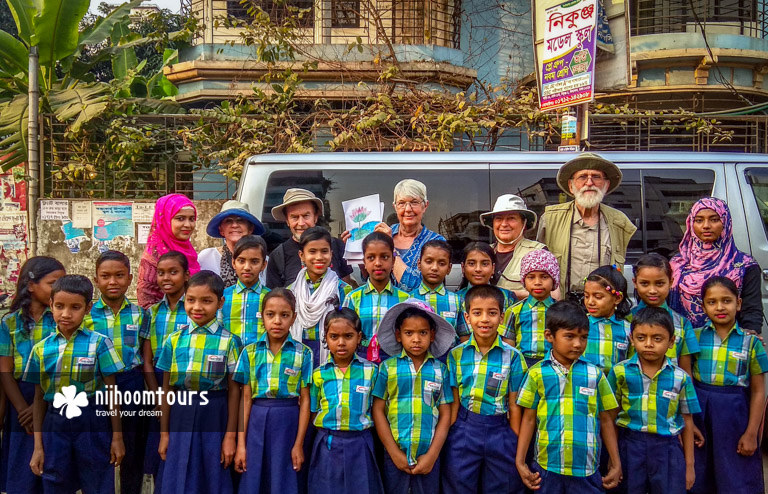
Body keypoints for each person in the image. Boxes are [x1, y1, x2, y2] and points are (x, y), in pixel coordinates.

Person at [25, 275, 125, 494]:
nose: (66, 314)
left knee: (98, 479)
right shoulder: (41, 350)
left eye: (75, 307)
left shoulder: (100, 343)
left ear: (88, 308)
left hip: (92, 421)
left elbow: (112, 392)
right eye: (59, 306)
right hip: (55, 423)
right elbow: (39, 399)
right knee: (54, 480)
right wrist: (38, 447)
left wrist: (117, 437)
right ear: (51, 305)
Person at [515, 301, 622, 493]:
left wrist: (615, 462)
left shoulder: (595, 374)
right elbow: (529, 419)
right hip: (547, 467)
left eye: (583, 337)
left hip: (587, 469)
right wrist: (520, 460)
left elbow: (606, 420)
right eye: (569, 336)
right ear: (549, 336)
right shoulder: (537, 373)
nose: (577, 344)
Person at [157, 271, 242, 494]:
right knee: (178, 476)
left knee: (213, 473)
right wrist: (164, 435)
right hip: (180, 413)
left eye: (206, 301)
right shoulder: (174, 340)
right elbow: (167, 390)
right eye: (191, 300)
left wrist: (230, 437)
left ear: (220, 302)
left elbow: (234, 392)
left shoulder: (230, 341)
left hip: (216, 413)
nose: (197, 307)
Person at [442, 285, 527, 494]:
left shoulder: (514, 356)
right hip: (464, 426)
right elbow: (453, 399)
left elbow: (515, 404)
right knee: (459, 482)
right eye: (477, 313)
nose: (485, 319)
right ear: (467, 317)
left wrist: (513, 439)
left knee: (503, 484)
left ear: (502, 316)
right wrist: (453, 432)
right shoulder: (456, 355)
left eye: (492, 313)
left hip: (500, 428)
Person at [608, 307, 700, 494]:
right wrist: (613, 458)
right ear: (632, 339)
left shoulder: (680, 378)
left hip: (667, 449)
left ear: (671, 341)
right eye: (641, 338)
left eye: (657, 339)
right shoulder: (619, 372)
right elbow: (610, 419)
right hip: (630, 446)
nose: (648, 344)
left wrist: (689, 466)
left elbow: (687, 421)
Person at [690, 276, 768, 494]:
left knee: (736, 474)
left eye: (727, 300)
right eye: (712, 302)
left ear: (739, 303)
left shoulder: (751, 342)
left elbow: (759, 391)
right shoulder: (694, 337)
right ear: (703, 306)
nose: (720, 307)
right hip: (701, 413)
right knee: (701, 471)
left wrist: (752, 433)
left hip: (735, 415)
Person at [233, 289, 313, 494]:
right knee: (255, 476)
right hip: (257, 421)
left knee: (285, 477)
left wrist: (299, 443)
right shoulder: (249, 352)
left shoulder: (303, 353)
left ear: (294, 318)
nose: (277, 321)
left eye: (284, 315)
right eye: (270, 314)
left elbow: (305, 401)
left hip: (289, 421)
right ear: (262, 316)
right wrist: (241, 444)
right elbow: (246, 399)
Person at [83, 251, 150, 494]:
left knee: (131, 447)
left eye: (119, 275)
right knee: (100, 443)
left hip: (130, 383)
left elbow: (145, 358)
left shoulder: (141, 314)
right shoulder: (87, 315)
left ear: (130, 278)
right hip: (98, 386)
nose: (113, 282)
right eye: (106, 276)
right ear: (96, 279)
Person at [373, 300, 455, 494]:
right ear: (398, 335)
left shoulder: (440, 370)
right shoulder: (387, 368)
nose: (416, 339)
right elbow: (377, 410)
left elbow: (445, 414)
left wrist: (433, 454)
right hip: (394, 453)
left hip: (429, 453)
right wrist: (394, 452)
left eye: (423, 333)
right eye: (409, 333)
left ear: (432, 335)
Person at [0, 257, 64, 494]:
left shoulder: (59, 319)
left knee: (53, 465)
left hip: (53, 398)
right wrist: (22, 410)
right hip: (21, 399)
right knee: (22, 473)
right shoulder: (9, 323)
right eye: (52, 283)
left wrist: (41, 407)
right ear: (30, 285)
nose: (57, 290)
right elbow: (5, 372)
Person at [537, 153, 637, 296]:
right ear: (571, 186)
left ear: (606, 185)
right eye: (582, 177)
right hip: (562, 307)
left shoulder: (619, 221)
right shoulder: (550, 219)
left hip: (602, 308)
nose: (589, 183)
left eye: (596, 177)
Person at [308, 308, 383, 494]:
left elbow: (378, 410)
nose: (341, 343)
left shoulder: (372, 372)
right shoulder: (319, 374)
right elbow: (312, 411)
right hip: (328, 442)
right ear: (326, 338)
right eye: (334, 337)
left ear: (359, 338)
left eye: (348, 336)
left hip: (361, 442)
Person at [669, 197, 764, 332]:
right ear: (691, 223)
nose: (706, 225)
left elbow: (751, 309)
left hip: (728, 343)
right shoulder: (678, 264)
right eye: (699, 220)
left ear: (725, 223)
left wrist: (750, 334)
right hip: (683, 344)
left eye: (714, 219)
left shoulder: (744, 265)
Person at [141, 251, 190, 489]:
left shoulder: (193, 308)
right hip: (157, 383)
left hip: (182, 382)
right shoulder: (152, 313)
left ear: (186, 275)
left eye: (173, 272)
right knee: (159, 441)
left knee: (180, 439)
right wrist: (157, 394)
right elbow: (147, 360)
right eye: (161, 273)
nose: (166, 278)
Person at [288, 227, 352, 367]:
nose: (319, 257)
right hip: (298, 353)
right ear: (301, 255)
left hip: (331, 355)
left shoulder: (343, 290)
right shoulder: (291, 292)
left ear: (331, 254)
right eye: (312, 251)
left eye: (324, 251)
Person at [342, 232, 409, 363]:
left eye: (384, 257)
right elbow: (345, 333)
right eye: (371, 258)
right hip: (360, 360)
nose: (378, 263)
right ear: (364, 262)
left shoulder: (405, 299)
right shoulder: (353, 298)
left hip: (395, 361)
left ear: (393, 261)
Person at [267, 188, 354, 289]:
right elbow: (275, 299)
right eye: (294, 217)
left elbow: (345, 290)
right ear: (287, 221)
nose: (301, 223)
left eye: (306, 216)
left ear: (315, 217)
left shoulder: (337, 245)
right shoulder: (278, 256)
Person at [371, 179, 445, 292]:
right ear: (395, 207)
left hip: (418, 308)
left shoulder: (437, 242)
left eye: (414, 202)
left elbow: (418, 286)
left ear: (425, 206)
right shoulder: (382, 233)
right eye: (401, 203)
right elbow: (370, 277)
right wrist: (356, 253)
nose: (408, 209)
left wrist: (390, 246)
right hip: (383, 306)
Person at [631, 253, 699, 374]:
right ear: (635, 283)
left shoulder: (682, 324)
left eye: (659, 283)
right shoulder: (626, 320)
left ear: (671, 282)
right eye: (645, 284)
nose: (652, 290)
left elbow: (685, 371)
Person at [138, 193, 200, 308]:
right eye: (180, 218)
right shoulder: (153, 257)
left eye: (192, 219)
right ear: (164, 219)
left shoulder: (189, 252)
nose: (188, 224)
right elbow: (146, 304)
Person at [480, 194, 546, 299]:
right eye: (498, 219)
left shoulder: (539, 252)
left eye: (511, 218)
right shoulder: (483, 252)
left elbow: (554, 296)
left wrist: (506, 294)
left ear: (524, 223)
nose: (504, 224)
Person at [501, 249, 559, 368]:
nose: (537, 282)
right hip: (521, 364)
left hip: (554, 364)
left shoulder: (561, 311)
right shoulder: (514, 311)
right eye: (531, 277)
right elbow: (508, 346)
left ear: (553, 280)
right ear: (524, 281)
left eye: (544, 277)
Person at [455, 242, 516, 341]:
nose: (478, 269)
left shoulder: (507, 297)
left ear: (493, 268)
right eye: (471, 263)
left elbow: (510, 337)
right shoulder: (456, 299)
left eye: (484, 264)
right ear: (463, 267)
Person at [199, 200, 266, 287]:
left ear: (250, 229)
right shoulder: (206, 257)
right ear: (221, 230)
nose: (234, 225)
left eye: (240, 220)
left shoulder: (262, 259)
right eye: (228, 221)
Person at [582, 265, 632, 375]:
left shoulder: (628, 330)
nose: (590, 302)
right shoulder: (579, 325)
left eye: (598, 297)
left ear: (617, 298)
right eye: (586, 296)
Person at [221, 235, 270, 347]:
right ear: (234, 263)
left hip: (260, 360)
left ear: (263, 265)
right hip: (229, 360)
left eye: (254, 262)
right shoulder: (223, 298)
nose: (247, 267)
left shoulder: (270, 298)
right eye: (241, 261)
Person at [411, 240, 462, 331]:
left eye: (441, 264)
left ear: (449, 268)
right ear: (419, 264)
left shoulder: (458, 301)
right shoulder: (409, 299)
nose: (434, 268)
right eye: (429, 261)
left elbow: (464, 337)